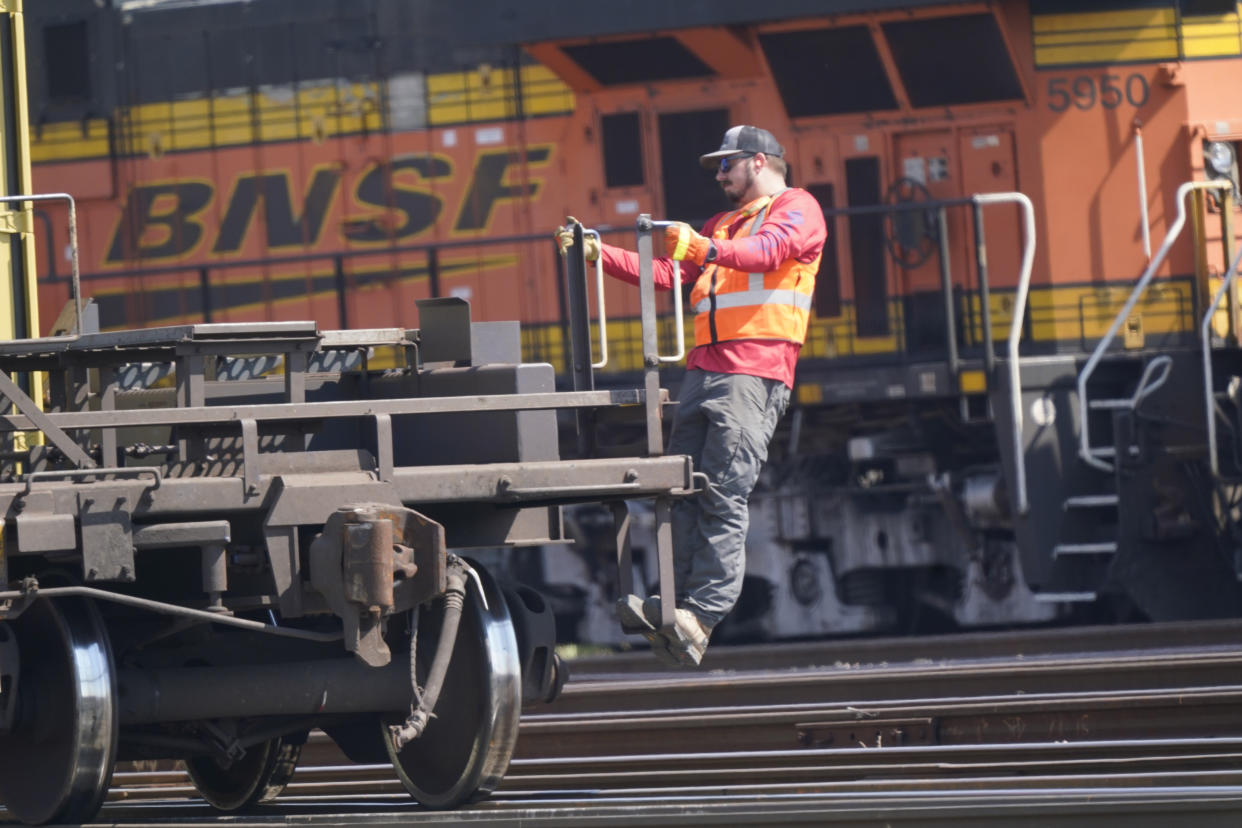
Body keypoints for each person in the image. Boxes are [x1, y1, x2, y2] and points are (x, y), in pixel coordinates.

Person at [557, 125, 826, 666]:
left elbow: (772, 250)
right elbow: (667, 275)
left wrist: (706, 246)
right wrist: (598, 253)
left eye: (726, 165)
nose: (719, 175)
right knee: (680, 492)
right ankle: (670, 604)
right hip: (704, 369)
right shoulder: (723, 225)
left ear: (758, 162)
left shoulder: (797, 207)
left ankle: (701, 614)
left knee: (725, 492)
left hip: (756, 370)